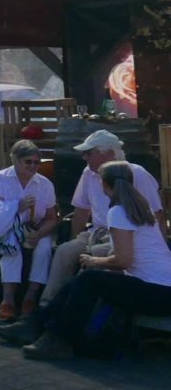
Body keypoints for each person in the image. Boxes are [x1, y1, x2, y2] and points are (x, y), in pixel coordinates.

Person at [0, 161, 171, 360]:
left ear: (104, 185)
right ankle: (36, 325)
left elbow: (124, 260)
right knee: (86, 280)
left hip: (157, 293)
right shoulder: (141, 208)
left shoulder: (118, 212)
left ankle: (57, 338)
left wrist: (94, 261)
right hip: (163, 290)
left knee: (89, 279)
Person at [41, 128, 163, 305]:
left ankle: (73, 313)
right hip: (95, 232)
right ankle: (47, 306)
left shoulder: (137, 174)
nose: (85, 158)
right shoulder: (88, 173)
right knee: (64, 251)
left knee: (95, 257)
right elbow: (81, 211)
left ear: (110, 153)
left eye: (89, 153)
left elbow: (157, 214)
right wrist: (76, 240)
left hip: (124, 237)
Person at [0, 140, 57, 320]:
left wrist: (38, 234)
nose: (33, 166)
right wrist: (17, 206)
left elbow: (52, 218)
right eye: (28, 161)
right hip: (7, 227)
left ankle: (30, 297)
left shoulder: (45, 184)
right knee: (11, 249)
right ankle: (7, 300)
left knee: (45, 249)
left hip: (36, 227)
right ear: (15, 160)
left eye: (36, 162)